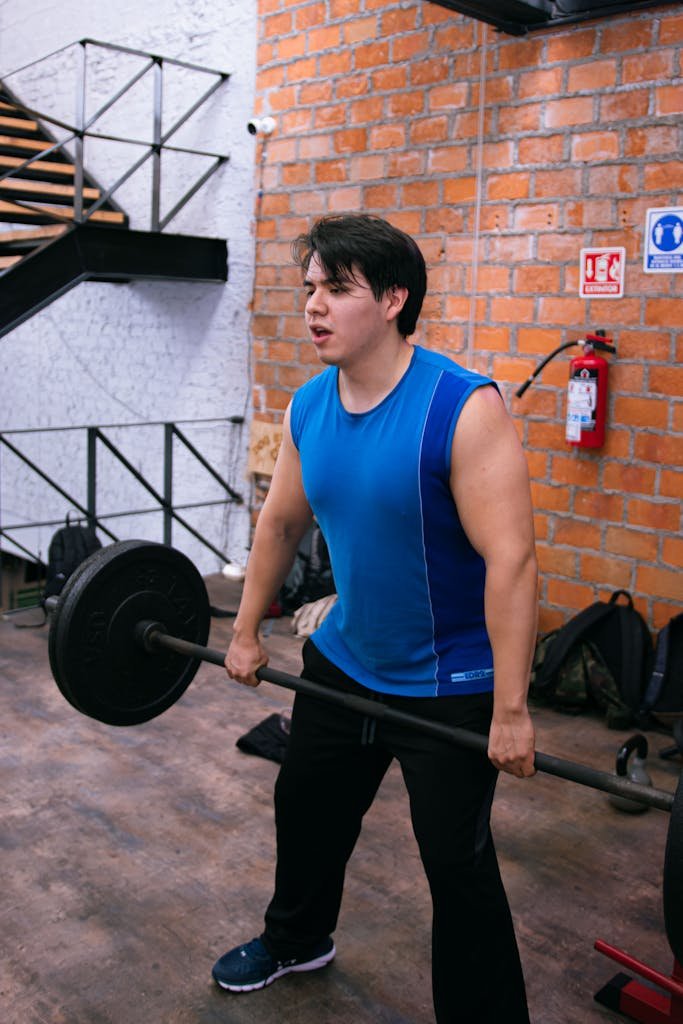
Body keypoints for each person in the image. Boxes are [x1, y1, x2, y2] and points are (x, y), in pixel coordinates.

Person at [212, 213, 538, 1023]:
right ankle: (297, 939)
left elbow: (512, 563)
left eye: (338, 289)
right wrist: (246, 629)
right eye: (310, 289)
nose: (315, 307)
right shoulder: (309, 407)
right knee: (307, 810)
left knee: (456, 867)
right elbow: (280, 524)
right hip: (348, 658)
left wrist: (509, 707)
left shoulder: (463, 408)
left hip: (447, 683)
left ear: (393, 299)